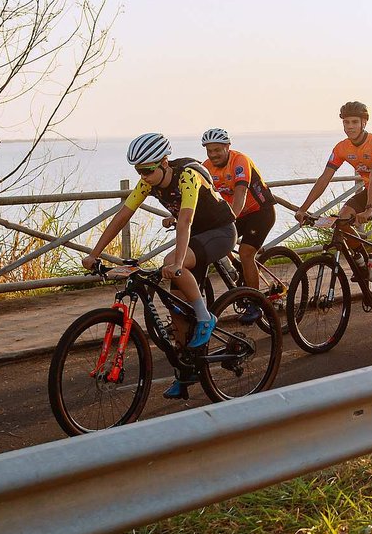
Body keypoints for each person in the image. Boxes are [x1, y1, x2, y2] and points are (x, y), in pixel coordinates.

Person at [82, 132, 238, 400]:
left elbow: (185, 221)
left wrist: (177, 262)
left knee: (170, 263)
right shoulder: (147, 182)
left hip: (219, 232)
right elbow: (122, 216)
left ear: (164, 162)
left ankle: (206, 318)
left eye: (147, 170)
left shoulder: (187, 176)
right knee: (177, 309)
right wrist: (94, 254)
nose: (143, 176)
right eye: (138, 171)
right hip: (193, 238)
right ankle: (186, 372)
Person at [293, 101, 372, 332]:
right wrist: (303, 208)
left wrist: (369, 209)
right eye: (346, 122)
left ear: (364, 123)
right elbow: (324, 178)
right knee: (342, 218)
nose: (350, 126)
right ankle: (362, 261)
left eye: (354, 122)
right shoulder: (341, 148)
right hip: (370, 192)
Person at [200, 127, 276, 325]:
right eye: (209, 150)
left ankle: (255, 304)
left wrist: (229, 219)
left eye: (218, 149)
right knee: (215, 238)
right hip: (235, 214)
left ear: (228, 147)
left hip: (260, 212)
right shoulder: (205, 167)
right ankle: (238, 268)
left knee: (246, 252)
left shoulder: (240, 161)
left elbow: (240, 193)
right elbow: (197, 198)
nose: (213, 154)